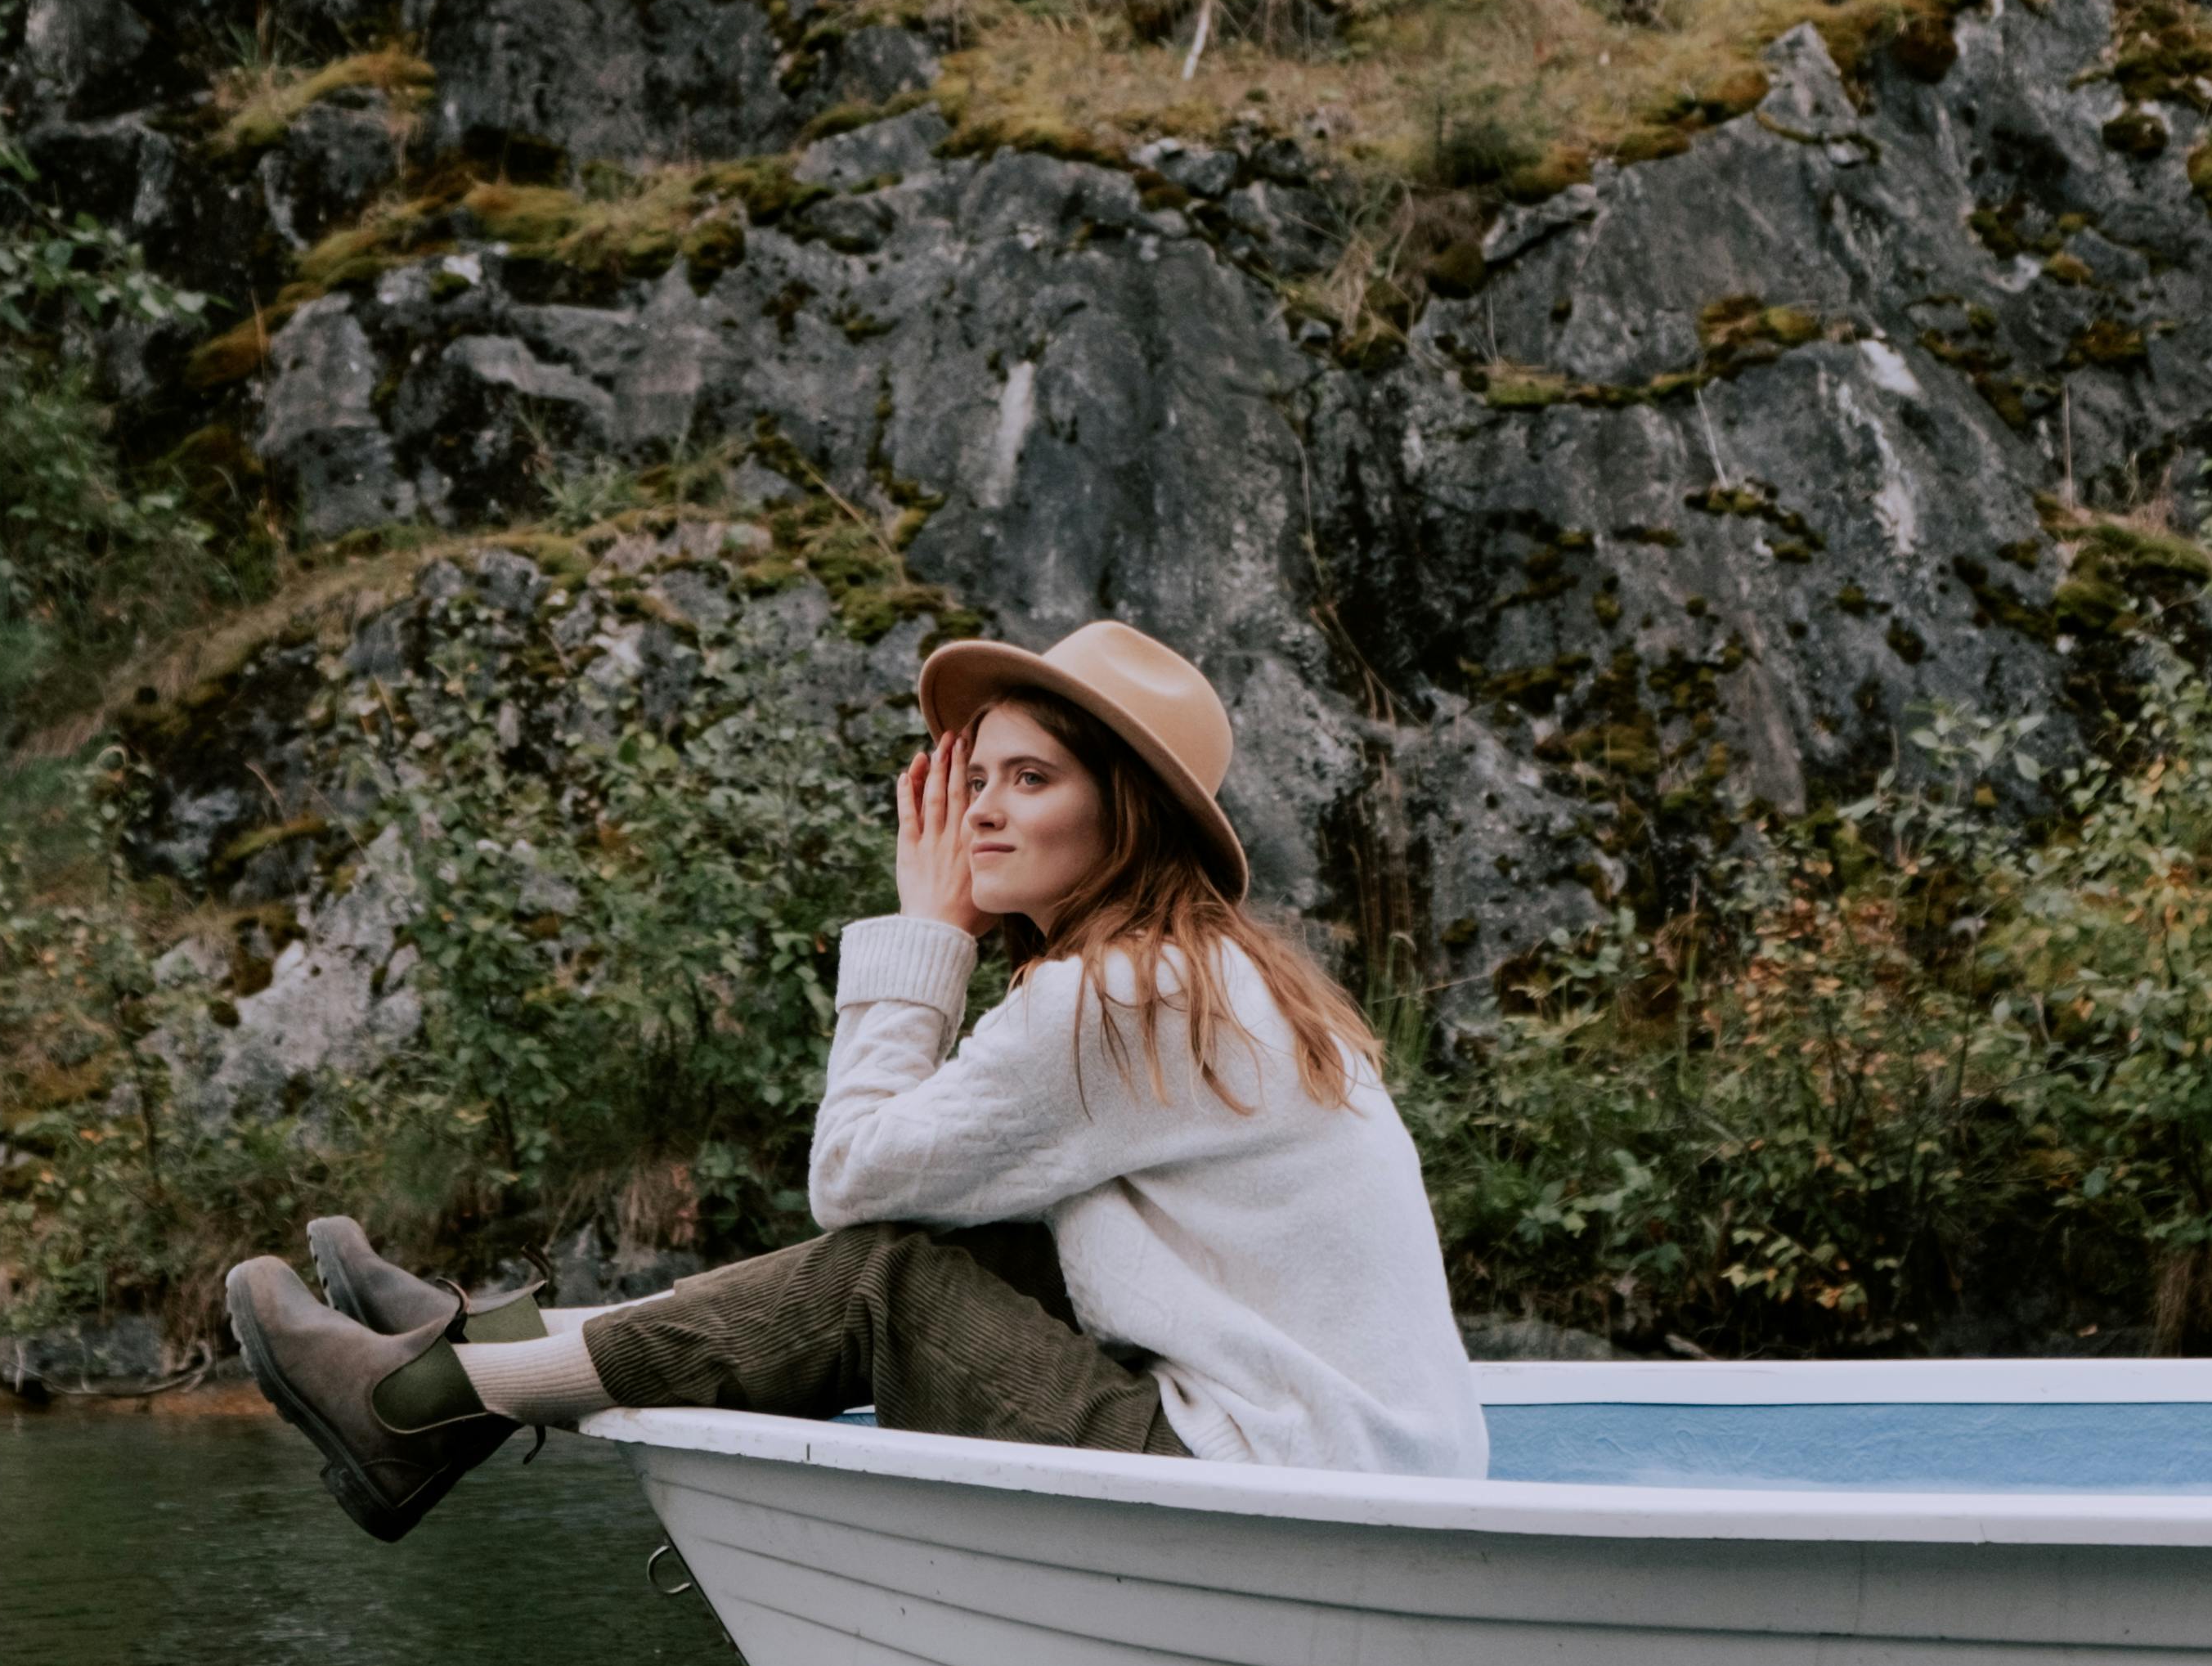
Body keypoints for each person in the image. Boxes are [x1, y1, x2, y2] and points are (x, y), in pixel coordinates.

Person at [225, 617, 1487, 1536]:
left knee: (883, 1278)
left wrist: (926, 935)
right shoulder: (1197, 976)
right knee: (982, 1251)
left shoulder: (1124, 995)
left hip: (1278, 1476)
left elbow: (850, 1180)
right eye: (972, 779)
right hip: (1348, 1469)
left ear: (1126, 818)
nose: (977, 813)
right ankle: (475, 1353)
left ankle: (429, 1398)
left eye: (1029, 780)